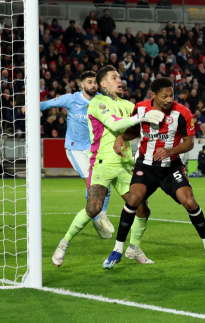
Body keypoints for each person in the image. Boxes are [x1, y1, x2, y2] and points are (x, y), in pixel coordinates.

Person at [103, 77, 205, 268]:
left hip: (171, 167)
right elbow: (134, 132)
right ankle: (117, 250)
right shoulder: (141, 109)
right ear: (154, 95)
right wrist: (120, 137)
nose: (169, 99)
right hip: (146, 166)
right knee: (133, 200)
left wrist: (170, 150)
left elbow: (189, 142)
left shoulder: (182, 113)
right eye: (164, 96)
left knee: (190, 201)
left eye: (172, 95)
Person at [51, 65, 165, 267]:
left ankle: (134, 248)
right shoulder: (96, 103)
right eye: (114, 77)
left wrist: (153, 117)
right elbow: (113, 124)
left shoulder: (129, 105)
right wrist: (141, 117)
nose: (119, 80)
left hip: (125, 165)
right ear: (103, 83)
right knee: (94, 208)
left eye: (120, 77)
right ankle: (63, 244)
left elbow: (139, 127)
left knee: (142, 209)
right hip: (102, 163)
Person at [37, 71, 114, 237]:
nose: (93, 85)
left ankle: (100, 216)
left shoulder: (102, 100)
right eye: (89, 82)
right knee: (94, 183)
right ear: (82, 85)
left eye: (95, 82)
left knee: (105, 183)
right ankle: (97, 218)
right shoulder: (71, 99)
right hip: (75, 148)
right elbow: (46, 105)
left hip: (96, 149)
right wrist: (29, 107)